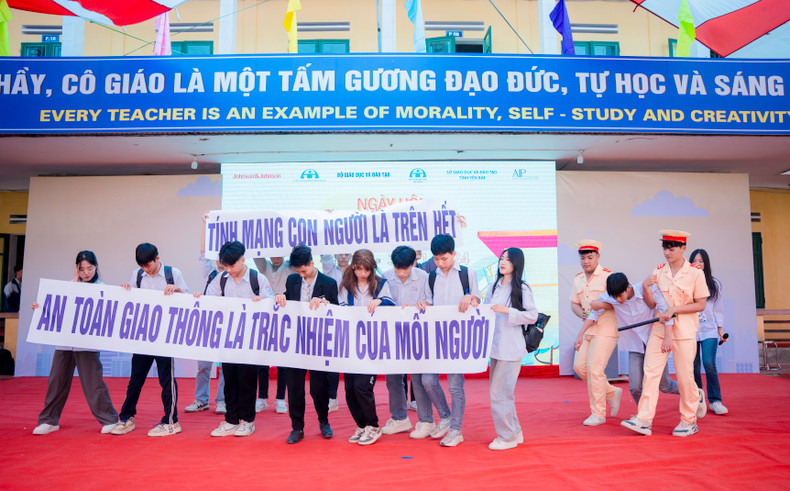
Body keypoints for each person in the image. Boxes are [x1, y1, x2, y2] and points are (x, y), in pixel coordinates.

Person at [622, 230, 709, 437]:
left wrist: (675, 310)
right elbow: (652, 304)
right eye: (665, 247)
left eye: (672, 248)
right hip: (660, 330)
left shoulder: (695, 273)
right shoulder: (659, 272)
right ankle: (643, 419)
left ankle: (689, 421)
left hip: (685, 331)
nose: (667, 252)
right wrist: (645, 286)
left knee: (685, 376)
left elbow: (701, 304)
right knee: (650, 374)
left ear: (683, 248)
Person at [31, 251, 119, 435]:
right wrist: (40, 309)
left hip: (87, 344)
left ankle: (110, 419)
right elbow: (56, 311)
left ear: (96, 267)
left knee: (93, 383)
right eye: (82, 269)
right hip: (64, 343)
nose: (86, 273)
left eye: (90, 268)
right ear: (76, 269)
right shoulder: (67, 287)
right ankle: (49, 420)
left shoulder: (102, 289)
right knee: (56, 381)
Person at [112, 243, 189, 437]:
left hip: (165, 336)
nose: (146, 269)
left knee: (167, 379)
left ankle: (171, 421)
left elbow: (188, 300)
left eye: (148, 265)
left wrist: (178, 291)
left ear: (157, 258)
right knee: (135, 379)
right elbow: (134, 301)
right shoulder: (137, 275)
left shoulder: (173, 273)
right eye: (142, 266)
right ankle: (126, 417)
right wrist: (127, 290)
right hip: (144, 335)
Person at [203, 240, 274, 437]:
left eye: (231, 265)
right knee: (230, 379)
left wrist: (260, 303)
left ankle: (248, 421)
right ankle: (231, 420)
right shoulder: (221, 279)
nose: (229, 269)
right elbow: (210, 300)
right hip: (228, 338)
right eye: (225, 266)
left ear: (243, 259)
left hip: (250, 340)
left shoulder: (256, 278)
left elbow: (271, 302)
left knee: (247, 381)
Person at [580, 272, 680, 406]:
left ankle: (695, 393)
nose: (618, 300)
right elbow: (593, 313)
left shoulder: (645, 289)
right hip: (634, 346)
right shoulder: (612, 296)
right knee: (635, 387)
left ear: (628, 287)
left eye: (620, 296)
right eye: (614, 298)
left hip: (654, 343)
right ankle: (642, 416)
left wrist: (668, 337)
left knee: (665, 385)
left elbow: (666, 309)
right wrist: (580, 335)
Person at [275, 244, 339, 444]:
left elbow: (337, 310)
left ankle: (324, 421)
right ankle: (297, 427)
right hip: (295, 342)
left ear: (312, 263)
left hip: (318, 343)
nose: (301, 274)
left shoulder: (329, 283)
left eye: (303, 270)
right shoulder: (293, 280)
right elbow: (288, 300)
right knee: (294, 387)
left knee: (319, 388)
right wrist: (281, 297)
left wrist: (326, 304)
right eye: (298, 271)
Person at [422, 234, 481, 447]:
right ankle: (445, 416)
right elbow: (429, 302)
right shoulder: (431, 276)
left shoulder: (468, 274)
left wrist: (470, 298)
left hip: (459, 339)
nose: (440, 263)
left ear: (454, 254)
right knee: (427, 380)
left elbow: (478, 299)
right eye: (436, 259)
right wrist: (422, 305)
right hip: (436, 337)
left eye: (444, 258)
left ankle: (456, 429)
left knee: (456, 387)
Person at [339, 249, 395, 446]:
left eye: (367, 270)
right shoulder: (346, 284)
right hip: (351, 342)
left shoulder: (381, 284)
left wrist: (380, 301)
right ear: (353, 267)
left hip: (372, 343)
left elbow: (391, 304)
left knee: (363, 387)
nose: (362, 273)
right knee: (349, 389)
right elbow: (342, 308)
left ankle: (373, 425)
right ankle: (361, 425)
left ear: (372, 268)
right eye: (359, 269)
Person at [485, 248, 538, 450]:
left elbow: (532, 316)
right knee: (503, 393)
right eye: (501, 258)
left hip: (511, 347)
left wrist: (507, 311)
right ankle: (515, 432)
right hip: (495, 347)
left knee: (498, 394)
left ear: (517, 263)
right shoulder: (494, 286)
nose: (503, 262)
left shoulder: (522, 288)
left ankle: (506, 437)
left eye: (508, 259)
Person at [380, 246, 432, 437]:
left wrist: (422, 305)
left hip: (417, 335)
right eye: (397, 268)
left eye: (405, 268)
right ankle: (400, 418)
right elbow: (380, 302)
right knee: (393, 379)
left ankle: (426, 421)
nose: (401, 273)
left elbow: (431, 302)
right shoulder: (385, 276)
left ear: (414, 263)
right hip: (392, 335)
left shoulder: (423, 277)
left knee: (418, 380)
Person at [570, 240, 623, 427]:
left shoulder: (608, 277)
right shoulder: (578, 279)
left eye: (590, 257)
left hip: (606, 328)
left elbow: (620, 302)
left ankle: (598, 413)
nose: (586, 262)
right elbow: (574, 303)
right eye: (583, 258)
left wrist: (601, 305)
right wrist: (581, 313)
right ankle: (610, 392)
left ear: (598, 257)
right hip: (588, 327)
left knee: (595, 369)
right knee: (579, 367)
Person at [186, 212, 226, 415]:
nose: (219, 261)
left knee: (225, 367)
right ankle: (201, 400)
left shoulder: (235, 277)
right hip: (207, 325)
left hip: (226, 326)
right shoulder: (209, 274)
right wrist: (206, 225)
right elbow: (202, 253)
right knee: (203, 365)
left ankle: (222, 400)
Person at [690, 249, 728, 416]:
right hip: (690, 330)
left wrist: (720, 330)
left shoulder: (714, 283)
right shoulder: (686, 282)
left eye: (701, 261)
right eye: (695, 261)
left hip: (709, 330)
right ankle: (698, 400)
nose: (698, 264)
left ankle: (715, 400)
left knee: (709, 364)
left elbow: (718, 309)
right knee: (694, 367)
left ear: (706, 264)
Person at [254, 256, 294, 414]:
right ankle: (262, 398)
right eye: (273, 254)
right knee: (262, 362)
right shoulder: (264, 267)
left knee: (282, 362)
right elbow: (257, 253)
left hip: (284, 315)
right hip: (266, 316)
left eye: (279, 254)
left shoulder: (290, 267)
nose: (276, 257)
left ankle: (280, 399)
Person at [320, 253, 350, 412]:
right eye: (341, 253)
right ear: (335, 254)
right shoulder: (328, 270)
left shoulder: (355, 271)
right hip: (331, 319)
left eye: (347, 253)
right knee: (331, 360)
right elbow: (325, 254)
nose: (344, 257)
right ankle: (332, 398)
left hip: (351, 319)